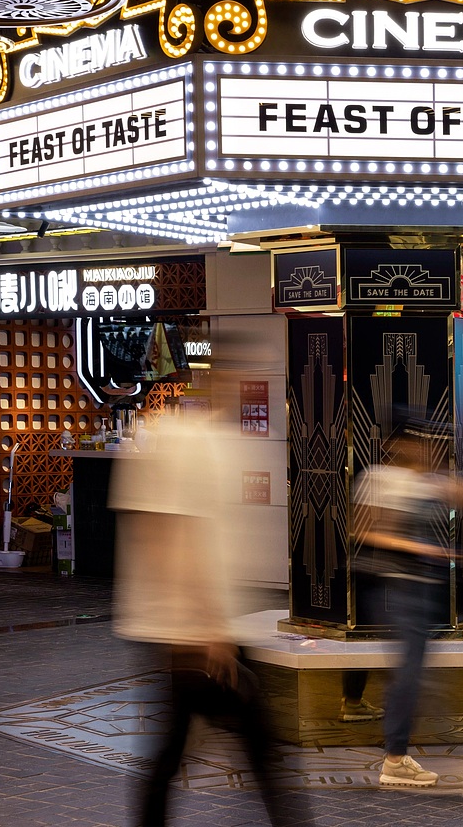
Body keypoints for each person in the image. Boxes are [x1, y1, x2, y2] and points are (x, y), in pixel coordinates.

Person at [110, 333, 313, 827]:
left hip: (193, 630)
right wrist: (208, 631)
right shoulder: (186, 442)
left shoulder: (213, 442)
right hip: (191, 632)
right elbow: (174, 537)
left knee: (185, 748)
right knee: (253, 745)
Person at [353, 415, 463, 789]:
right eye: (416, 441)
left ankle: (399, 750)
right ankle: (395, 759)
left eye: (429, 443)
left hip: (424, 587)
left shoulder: (429, 481)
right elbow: (364, 530)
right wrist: (420, 546)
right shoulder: (379, 478)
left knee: (415, 670)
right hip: (394, 587)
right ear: (397, 445)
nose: (424, 449)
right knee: (409, 672)